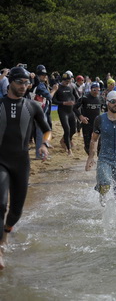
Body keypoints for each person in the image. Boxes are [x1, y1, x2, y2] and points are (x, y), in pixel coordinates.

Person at [0, 67, 52, 270]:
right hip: (1, 161)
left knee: (16, 211)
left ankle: (5, 233)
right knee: (1, 203)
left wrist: (44, 144)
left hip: (21, 162)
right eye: (19, 82)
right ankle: (0, 247)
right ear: (10, 82)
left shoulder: (33, 106)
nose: (23, 86)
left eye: (26, 83)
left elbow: (47, 130)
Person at [52, 70, 80, 155]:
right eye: (66, 81)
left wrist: (75, 103)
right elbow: (54, 100)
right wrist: (64, 103)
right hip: (63, 111)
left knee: (74, 130)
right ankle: (69, 149)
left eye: (69, 81)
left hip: (71, 111)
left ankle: (65, 140)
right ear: (62, 80)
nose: (67, 83)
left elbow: (77, 97)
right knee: (67, 129)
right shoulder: (58, 87)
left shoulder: (72, 86)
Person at [74, 82, 105, 154]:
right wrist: (81, 117)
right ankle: (90, 157)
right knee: (87, 144)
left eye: (98, 90)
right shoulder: (85, 97)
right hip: (87, 122)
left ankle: (99, 160)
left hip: (97, 123)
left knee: (99, 143)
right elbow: (75, 108)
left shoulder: (100, 98)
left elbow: (105, 109)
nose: (96, 92)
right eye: (94, 90)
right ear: (91, 89)